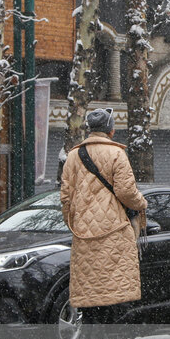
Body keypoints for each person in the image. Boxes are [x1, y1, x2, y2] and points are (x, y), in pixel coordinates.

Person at [60, 108, 147, 326]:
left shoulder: (73, 156)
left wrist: (75, 221)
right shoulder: (117, 154)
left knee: (90, 292)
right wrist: (141, 203)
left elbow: (66, 197)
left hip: (84, 235)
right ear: (111, 131)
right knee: (113, 291)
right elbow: (126, 192)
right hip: (114, 232)